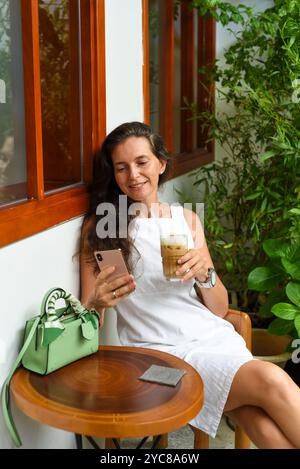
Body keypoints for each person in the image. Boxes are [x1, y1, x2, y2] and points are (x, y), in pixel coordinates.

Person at [80, 121, 300, 449]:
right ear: (113, 174)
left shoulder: (186, 221)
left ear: (161, 164)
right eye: (121, 167)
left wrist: (204, 274)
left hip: (210, 337)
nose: (134, 175)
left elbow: (220, 308)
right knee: (271, 380)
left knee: (258, 417)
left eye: (142, 162)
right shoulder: (104, 230)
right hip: (158, 356)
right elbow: (91, 318)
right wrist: (96, 302)